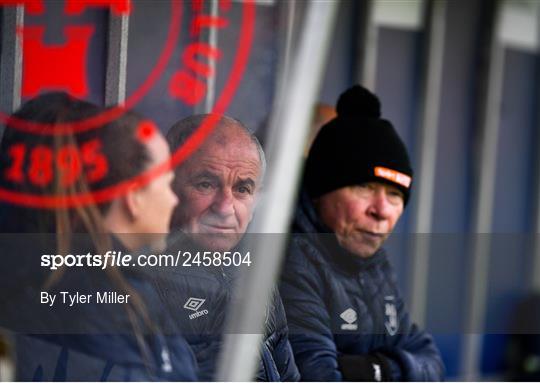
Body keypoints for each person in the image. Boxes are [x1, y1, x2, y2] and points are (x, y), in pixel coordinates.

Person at [0, 92, 197, 381]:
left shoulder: (47, 278)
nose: (173, 199)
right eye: (166, 182)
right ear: (133, 196)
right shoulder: (100, 308)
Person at [279, 85, 445, 381]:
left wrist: (373, 369)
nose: (381, 210)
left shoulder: (373, 262)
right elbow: (318, 376)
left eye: (395, 194)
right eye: (364, 187)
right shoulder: (291, 260)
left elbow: (431, 361)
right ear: (320, 192)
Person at [154, 114, 299, 381]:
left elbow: (289, 374)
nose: (224, 208)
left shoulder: (253, 272)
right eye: (206, 184)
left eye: (242, 188)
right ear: (169, 186)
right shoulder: (140, 281)